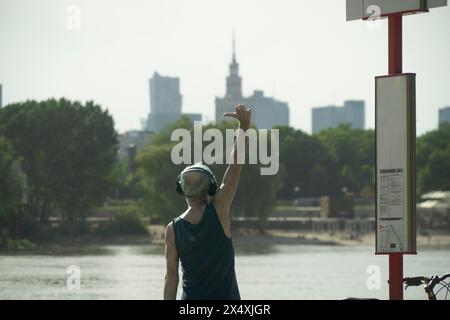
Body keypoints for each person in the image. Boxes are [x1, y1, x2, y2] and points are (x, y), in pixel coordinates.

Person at [163, 104, 251, 300]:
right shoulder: (220, 208)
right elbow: (235, 166)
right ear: (211, 187)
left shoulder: (172, 229)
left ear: (181, 188)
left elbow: (171, 278)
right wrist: (244, 126)